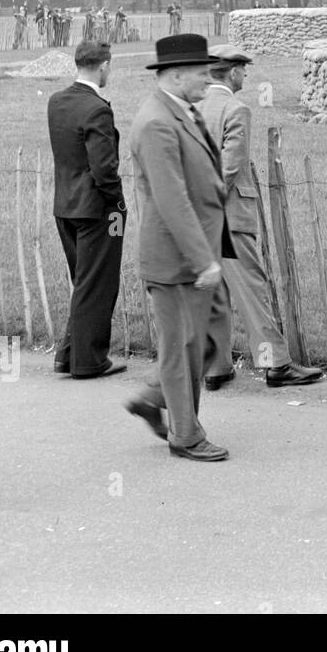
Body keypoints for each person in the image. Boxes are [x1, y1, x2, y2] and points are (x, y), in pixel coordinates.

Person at [124, 34, 234, 462]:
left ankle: (153, 397)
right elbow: (172, 199)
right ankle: (185, 436)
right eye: (202, 73)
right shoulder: (156, 123)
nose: (209, 79)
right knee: (181, 347)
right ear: (174, 75)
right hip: (177, 260)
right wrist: (202, 259)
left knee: (209, 341)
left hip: (199, 252)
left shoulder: (181, 110)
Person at [199, 44, 323, 390]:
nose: (246, 76)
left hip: (197, 214)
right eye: (244, 70)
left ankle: (216, 367)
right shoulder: (235, 109)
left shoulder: (190, 106)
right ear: (233, 72)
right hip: (228, 213)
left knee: (213, 293)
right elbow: (231, 164)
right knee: (252, 292)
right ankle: (275, 365)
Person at [47, 40, 127, 379]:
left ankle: (68, 354)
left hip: (65, 204)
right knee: (98, 283)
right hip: (97, 209)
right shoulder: (98, 109)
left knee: (83, 280)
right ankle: (89, 360)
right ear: (104, 65)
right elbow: (104, 168)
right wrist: (118, 201)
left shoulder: (57, 101)